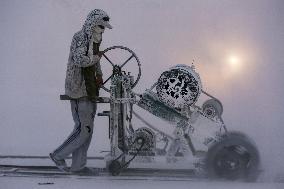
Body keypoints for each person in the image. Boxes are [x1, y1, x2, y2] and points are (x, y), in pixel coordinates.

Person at [49, 9, 112, 174]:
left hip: (91, 88)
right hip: (79, 88)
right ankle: (57, 155)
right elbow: (80, 60)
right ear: (92, 23)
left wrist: (99, 74)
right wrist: (97, 58)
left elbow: (94, 60)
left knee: (87, 130)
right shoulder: (80, 37)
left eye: (104, 27)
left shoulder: (95, 39)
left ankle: (78, 166)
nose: (102, 29)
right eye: (100, 26)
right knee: (83, 129)